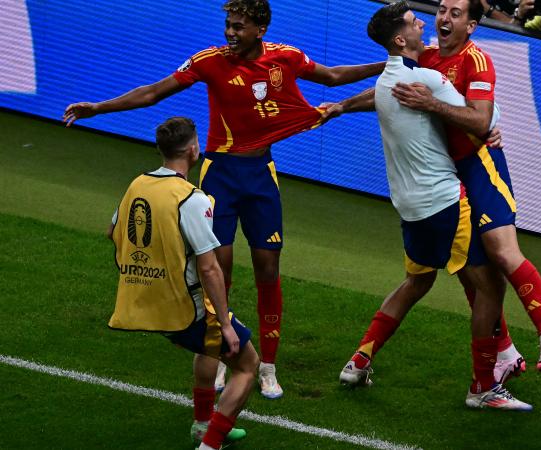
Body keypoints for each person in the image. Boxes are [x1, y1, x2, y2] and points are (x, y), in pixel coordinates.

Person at [63, 0, 384, 401]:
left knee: (269, 268)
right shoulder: (209, 62)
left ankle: (267, 365)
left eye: (239, 27)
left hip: (261, 176)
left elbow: (334, 77)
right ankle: (217, 355)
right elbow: (153, 93)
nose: (230, 33)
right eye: (228, 25)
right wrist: (98, 108)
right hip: (220, 175)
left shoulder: (285, 57)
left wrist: (385, 66)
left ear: (260, 29)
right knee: (217, 270)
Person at [339, 1, 532, 411]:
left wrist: (339, 106)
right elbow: (480, 119)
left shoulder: (389, 81)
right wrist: (493, 129)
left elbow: (376, 92)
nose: (425, 21)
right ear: (400, 38)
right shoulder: (427, 76)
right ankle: (484, 387)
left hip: (408, 208)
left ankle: (359, 361)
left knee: (417, 282)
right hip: (446, 201)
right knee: (491, 287)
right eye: (414, 21)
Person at [108, 117, 260, 450]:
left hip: (145, 300)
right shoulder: (192, 199)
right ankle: (211, 444)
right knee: (248, 365)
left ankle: (202, 426)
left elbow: (113, 232)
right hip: (182, 306)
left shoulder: (138, 184)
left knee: (208, 346)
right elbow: (209, 269)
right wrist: (226, 323)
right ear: (194, 150)